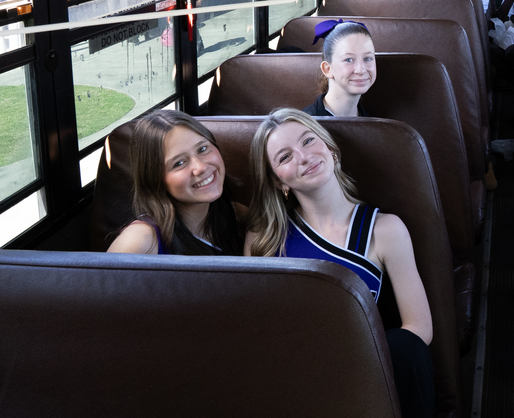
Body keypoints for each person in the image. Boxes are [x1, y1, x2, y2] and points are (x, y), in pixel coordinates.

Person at [246, 108, 434, 418]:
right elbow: (255, 330)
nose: (304, 156)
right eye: (285, 157)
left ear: (331, 150)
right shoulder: (263, 238)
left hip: (362, 369)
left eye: (309, 140)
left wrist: (350, 366)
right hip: (293, 378)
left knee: (406, 348)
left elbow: (419, 328)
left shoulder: (385, 229)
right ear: (279, 182)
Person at [107, 110, 243, 255]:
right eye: (179, 163)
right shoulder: (140, 238)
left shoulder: (236, 214)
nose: (200, 168)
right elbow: (94, 278)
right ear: (155, 179)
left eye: (202, 149)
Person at [304, 20, 375, 118]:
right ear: (327, 69)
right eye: (348, 60)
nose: (361, 70)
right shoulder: (306, 126)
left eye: (367, 58)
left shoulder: (376, 122)